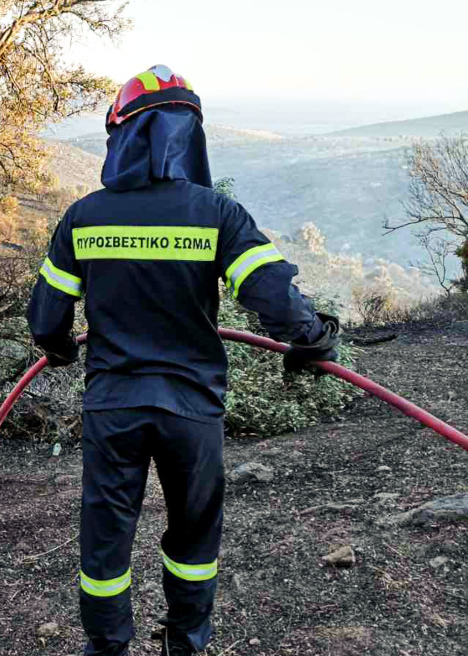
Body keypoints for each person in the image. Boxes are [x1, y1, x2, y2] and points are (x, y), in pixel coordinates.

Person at [26, 65, 340, 656]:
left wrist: (61, 347)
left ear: (122, 134)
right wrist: (313, 337)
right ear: (188, 136)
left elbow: (46, 322)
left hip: (113, 408)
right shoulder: (217, 213)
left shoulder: (84, 216)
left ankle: (107, 648)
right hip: (191, 411)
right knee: (195, 540)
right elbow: (272, 297)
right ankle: (187, 643)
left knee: (106, 543)